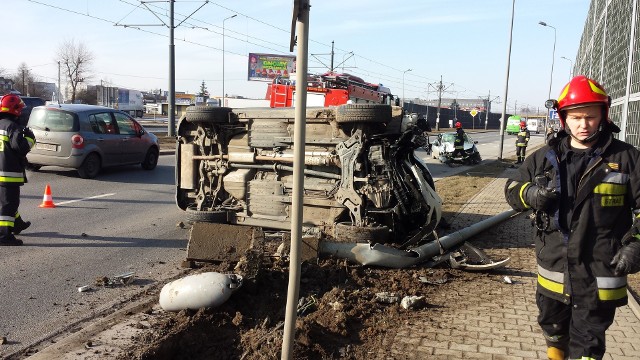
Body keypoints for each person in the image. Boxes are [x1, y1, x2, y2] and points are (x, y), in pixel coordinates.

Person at [504, 75, 640, 360]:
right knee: (553, 331)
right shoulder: (545, 157)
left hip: (600, 273)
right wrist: (531, 195)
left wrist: (636, 245)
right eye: (575, 117)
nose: (583, 124)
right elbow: (512, 189)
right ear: (564, 117)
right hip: (554, 272)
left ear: (604, 114)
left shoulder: (628, 159)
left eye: (591, 116)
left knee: (588, 346)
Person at [0, 94, 35, 246]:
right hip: (8, 174)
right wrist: (30, 139)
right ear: (15, 110)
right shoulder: (11, 127)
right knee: (9, 204)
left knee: (6, 202)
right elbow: (20, 148)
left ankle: (17, 224)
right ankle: (4, 236)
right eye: (20, 109)